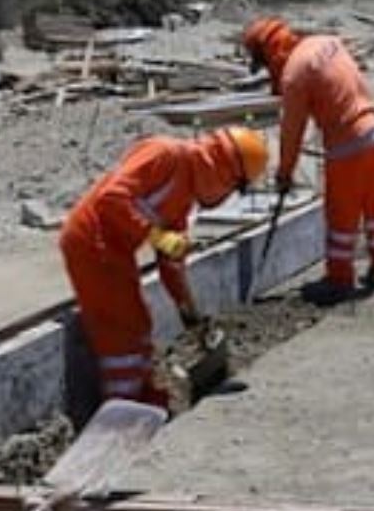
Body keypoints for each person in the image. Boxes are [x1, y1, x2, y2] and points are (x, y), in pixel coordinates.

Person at [61, 128, 268, 406]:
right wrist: (157, 236)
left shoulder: (185, 196)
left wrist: (189, 313)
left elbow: (170, 264)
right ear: (226, 172)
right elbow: (111, 197)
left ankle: (140, 395)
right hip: (90, 240)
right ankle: (122, 403)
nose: (228, 196)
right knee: (122, 327)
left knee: (138, 322)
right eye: (236, 188)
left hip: (114, 248)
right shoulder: (166, 155)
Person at [243, 17, 374, 302]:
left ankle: (339, 279)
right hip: (373, 130)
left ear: (269, 53)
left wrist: (284, 173)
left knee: (341, 215)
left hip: (346, 143)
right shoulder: (325, 42)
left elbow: (292, 132)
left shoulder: (295, 74)